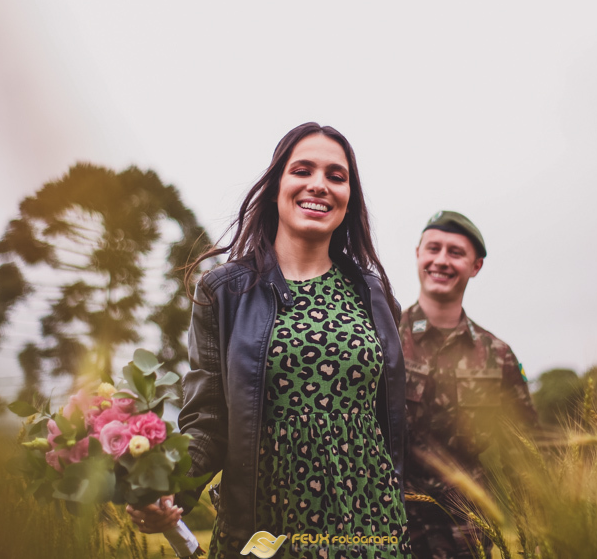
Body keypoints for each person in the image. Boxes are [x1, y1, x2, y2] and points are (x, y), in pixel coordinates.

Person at [128, 123, 411, 558]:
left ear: (349, 197)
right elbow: (208, 420)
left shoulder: (375, 296)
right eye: (303, 170)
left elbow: (390, 422)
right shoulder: (224, 292)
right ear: (278, 185)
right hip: (264, 532)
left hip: (370, 529)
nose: (319, 184)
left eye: (336, 176)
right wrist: (169, 491)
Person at [400, 211, 537, 559]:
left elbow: (525, 451)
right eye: (433, 248)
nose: (441, 260)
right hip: (390, 528)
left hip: (467, 536)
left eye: (456, 252)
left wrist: (536, 530)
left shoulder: (498, 355)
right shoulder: (381, 339)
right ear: (418, 253)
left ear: (475, 266)